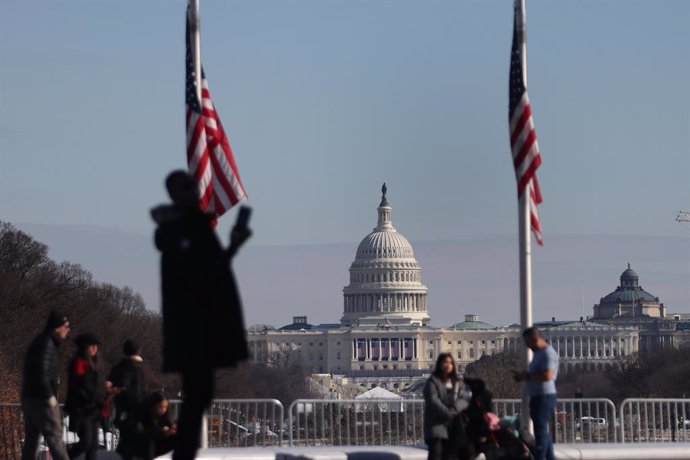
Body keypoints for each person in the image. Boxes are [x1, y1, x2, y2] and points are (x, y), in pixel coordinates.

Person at [151, 170, 251, 460]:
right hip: (195, 330)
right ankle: (183, 454)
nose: (196, 191)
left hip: (202, 328)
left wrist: (231, 245)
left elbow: (209, 270)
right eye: (188, 188)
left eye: (195, 186)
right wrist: (230, 245)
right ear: (174, 193)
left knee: (200, 401)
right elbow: (201, 274)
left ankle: (184, 454)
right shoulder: (179, 231)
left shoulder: (191, 228)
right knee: (196, 402)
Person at [21, 310, 71, 460]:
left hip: (29, 397)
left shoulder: (40, 341)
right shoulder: (47, 344)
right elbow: (41, 372)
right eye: (66, 326)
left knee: (32, 441)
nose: (68, 330)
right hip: (42, 400)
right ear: (57, 327)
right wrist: (50, 397)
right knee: (56, 439)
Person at [512, 327, 559, 460]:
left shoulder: (547, 353)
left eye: (528, 342)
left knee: (540, 432)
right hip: (538, 396)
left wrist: (526, 376)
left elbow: (548, 375)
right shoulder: (539, 353)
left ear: (535, 339)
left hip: (544, 397)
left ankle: (540, 457)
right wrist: (523, 376)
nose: (527, 346)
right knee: (542, 432)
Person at [65, 333, 105, 460]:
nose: (94, 349)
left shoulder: (95, 363)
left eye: (96, 346)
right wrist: (92, 397)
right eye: (91, 346)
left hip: (93, 409)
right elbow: (78, 386)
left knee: (93, 446)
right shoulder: (79, 363)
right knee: (86, 442)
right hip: (82, 409)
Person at [423, 352, 469, 460]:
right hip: (436, 425)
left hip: (452, 427)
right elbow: (433, 400)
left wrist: (455, 409)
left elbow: (465, 398)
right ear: (439, 364)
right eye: (445, 362)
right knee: (436, 455)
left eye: (450, 363)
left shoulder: (457, 382)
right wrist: (448, 413)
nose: (448, 365)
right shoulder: (433, 382)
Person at [109, 339, 146, 460]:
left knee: (127, 441)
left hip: (122, 410)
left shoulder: (119, 367)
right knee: (134, 441)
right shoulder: (138, 367)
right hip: (134, 410)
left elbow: (111, 381)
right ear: (138, 351)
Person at [137, 392, 177, 460]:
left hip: (160, 445)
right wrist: (160, 430)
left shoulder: (165, 416)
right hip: (143, 446)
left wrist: (172, 430)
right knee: (150, 441)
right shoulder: (142, 415)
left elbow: (170, 426)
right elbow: (141, 432)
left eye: (165, 407)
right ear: (153, 406)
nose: (163, 410)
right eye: (160, 407)